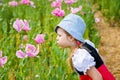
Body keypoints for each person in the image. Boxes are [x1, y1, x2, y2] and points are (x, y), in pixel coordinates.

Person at [54, 13, 115, 80]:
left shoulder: (81, 56)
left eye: (60, 36)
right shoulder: (86, 46)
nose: (57, 38)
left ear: (71, 37)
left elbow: (98, 77)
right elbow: (102, 61)